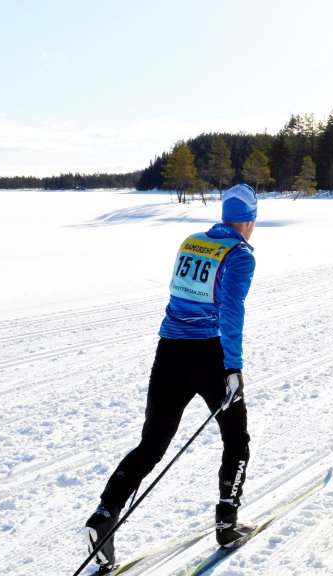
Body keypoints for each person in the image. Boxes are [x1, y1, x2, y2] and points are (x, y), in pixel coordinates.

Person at [85, 184, 258, 568]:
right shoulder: (241, 255)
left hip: (169, 352)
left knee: (151, 445)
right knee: (236, 436)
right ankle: (228, 524)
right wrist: (233, 369)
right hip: (211, 356)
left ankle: (104, 514)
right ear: (248, 220)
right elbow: (231, 313)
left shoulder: (192, 242)